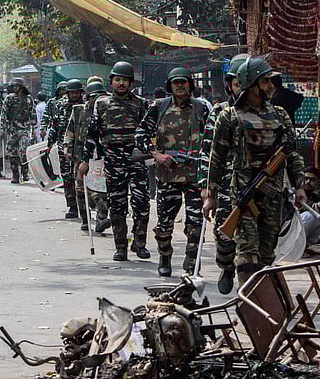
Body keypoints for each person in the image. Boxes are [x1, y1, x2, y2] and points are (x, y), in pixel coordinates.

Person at [203, 57, 307, 285]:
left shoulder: (280, 115)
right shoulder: (228, 116)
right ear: (251, 83)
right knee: (247, 254)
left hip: (273, 196)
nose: (271, 86)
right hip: (243, 194)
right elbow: (216, 158)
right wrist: (210, 196)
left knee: (266, 256)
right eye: (265, 81)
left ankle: (264, 304)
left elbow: (293, 154)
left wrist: (300, 186)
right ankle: (250, 306)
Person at [135, 67, 211, 277]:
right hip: (167, 176)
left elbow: (212, 139)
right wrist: (156, 155)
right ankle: (164, 256)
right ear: (170, 85)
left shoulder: (201, 109)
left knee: (196, 223)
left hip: (195, 176)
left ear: (190, 84)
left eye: (183, 82)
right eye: (176, 82)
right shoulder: (159, 107)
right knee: (164, 224)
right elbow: (140, 134)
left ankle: (191, 263)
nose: (179, 85)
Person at [79, 61, 151, 261]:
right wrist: (85, 160)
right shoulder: (101, 104)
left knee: (142, 202)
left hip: (136, 158)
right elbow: (92, 134)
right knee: (117, 204)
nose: (121, 83)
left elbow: (149, 132)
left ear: (130, 83)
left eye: (125, 80)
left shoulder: (141, 104)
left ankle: (140, 242)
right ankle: (120, 248)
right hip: (112, 159)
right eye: (117, 79)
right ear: (111, 82)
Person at [199, 53, 250, 294]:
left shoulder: (271, 113)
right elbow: (208, 153)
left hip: (258, 186)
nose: (243, 87)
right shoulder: (220, 112)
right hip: (227, 184)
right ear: (229, 84)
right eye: (238, 82)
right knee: (224, 235)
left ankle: (251, 281)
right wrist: (207, 188)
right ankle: (226, 265)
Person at [65, 79, 110, 233]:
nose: (97, 100)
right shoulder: (79, 111)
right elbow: (70, 132)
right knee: (80, 188)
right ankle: (85, 218)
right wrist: (67, 148)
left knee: (101, 189)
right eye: (94, 97)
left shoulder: (108, 111)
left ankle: (101, 218)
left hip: (101, 156)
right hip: (81, 155)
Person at [49, 79, 84, 214]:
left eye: (77, 92)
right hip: (63, 147)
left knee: (80, 176)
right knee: (67, 176)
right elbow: (55, 125)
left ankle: (83, 205)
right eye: (72, 93)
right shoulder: (60, 106)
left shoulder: (85, 105)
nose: (74, 95)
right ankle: (72, 205)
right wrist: (49, 144)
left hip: (81, 146)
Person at [0, 78, 36, 184]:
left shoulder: (28, 99)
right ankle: (15, 174)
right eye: (13, 86)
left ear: (21, 87)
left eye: (16, 86)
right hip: (12, 130)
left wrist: (34, 128)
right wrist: (3, 129)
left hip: (25, 129)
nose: (15, 88)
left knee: (23, 152)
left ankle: (24, 172)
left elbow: (32, 114)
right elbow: (4, 114)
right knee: (12, 153)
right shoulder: (9, 98)